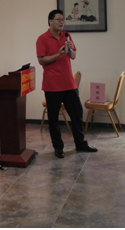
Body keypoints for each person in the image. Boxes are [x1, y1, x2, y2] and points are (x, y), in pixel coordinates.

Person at [36, 9, 97, 158]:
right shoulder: (42, 39)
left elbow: (73, 56)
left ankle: (80, 144)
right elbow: (41, 60)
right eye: (58, 19)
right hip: (52, 85)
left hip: (69, 83)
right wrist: (59, 54)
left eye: (63, 19)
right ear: (50, 21)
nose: (62, 22)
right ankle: (58, 147)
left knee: (77, 114)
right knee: (53, 119)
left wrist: (69, 50)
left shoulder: (66, 36)